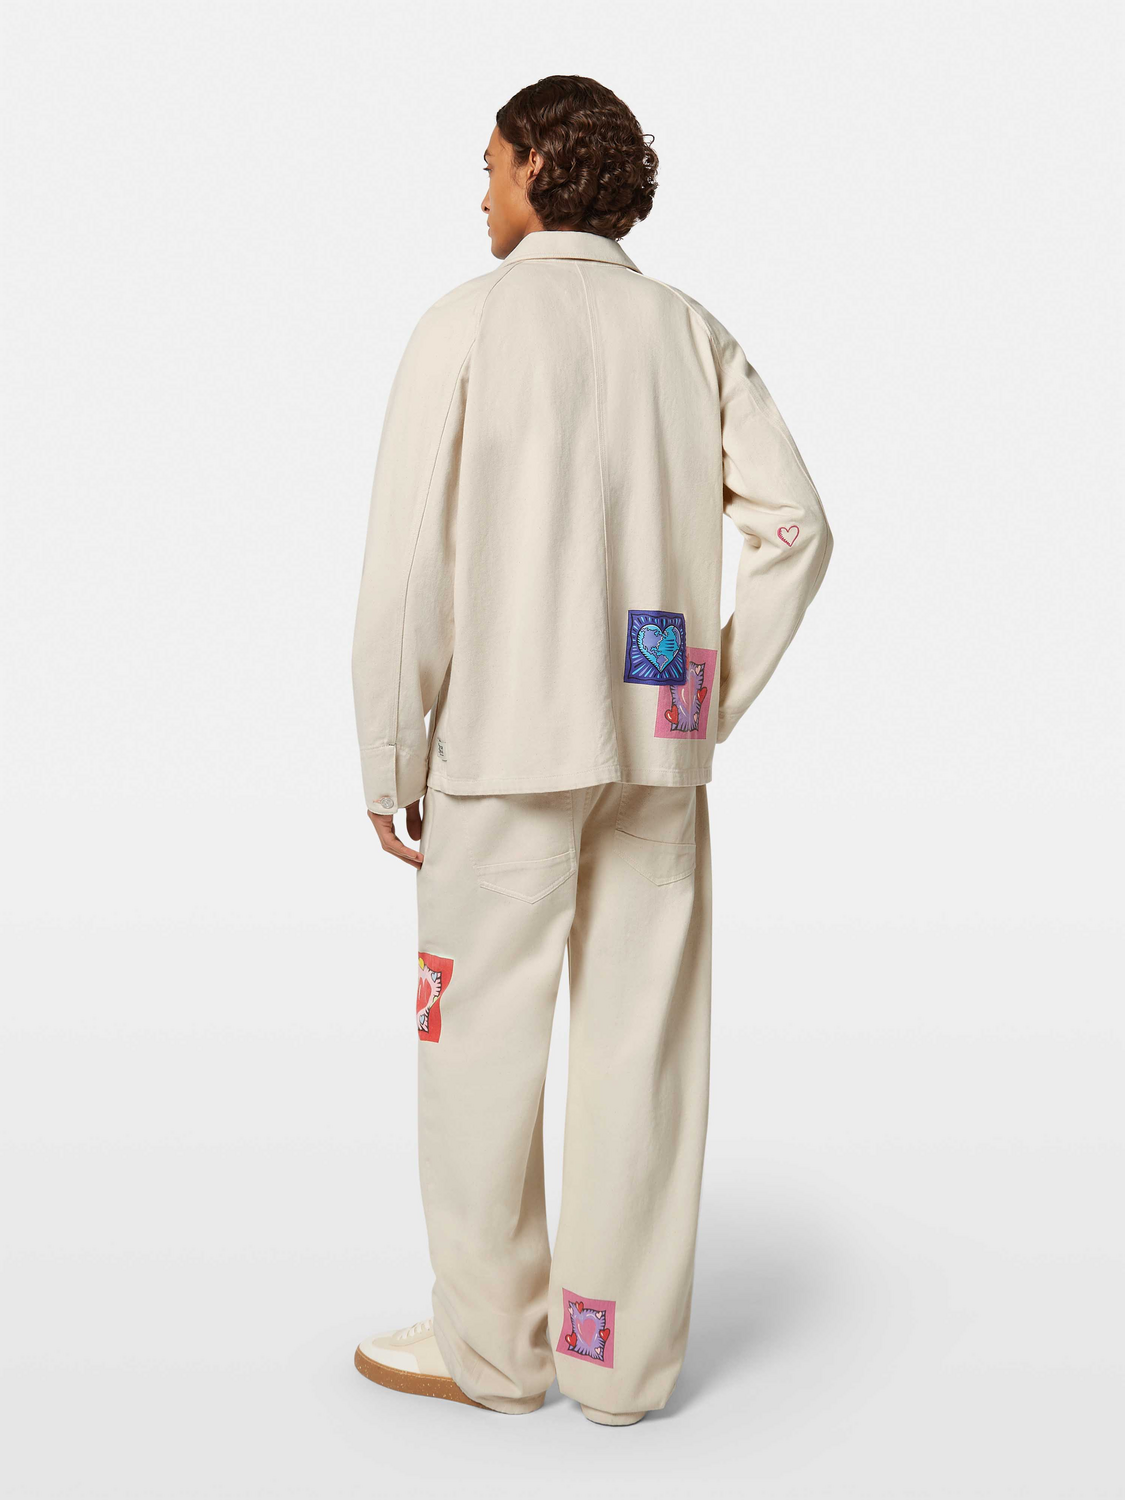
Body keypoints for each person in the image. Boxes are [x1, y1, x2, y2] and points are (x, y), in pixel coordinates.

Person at [350, 74, 833, 1426]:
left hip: (501, 754)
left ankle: (498, 1351)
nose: (481, 191)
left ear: (539, 165)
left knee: (476, 1052)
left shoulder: (463, 326)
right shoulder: (689, 331)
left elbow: (407, 573)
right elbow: (796, 530)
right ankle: (613, 1360)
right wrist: (696, 705)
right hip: (652, 751)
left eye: (491, 163)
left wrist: (390, 755)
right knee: (642, 1055)